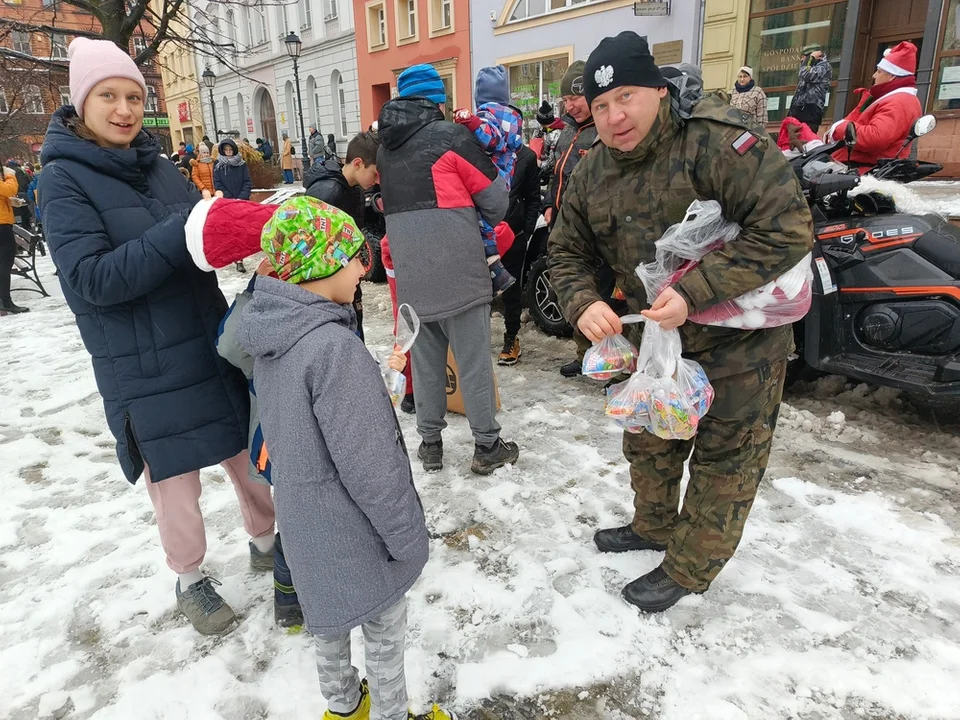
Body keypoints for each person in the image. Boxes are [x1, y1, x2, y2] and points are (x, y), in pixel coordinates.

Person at [548, 31, 813, 613]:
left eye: (626, 98)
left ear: (658, 92)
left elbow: (788, 230)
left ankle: (690, 570)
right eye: (600, 106)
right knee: (650, 443)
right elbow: (565, 252)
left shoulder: (716, 147)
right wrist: (582, 302)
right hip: (654, 348)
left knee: (726, 462)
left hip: (739, 349)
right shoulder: (593, 170)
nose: (614, 117)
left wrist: (693, 290)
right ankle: (653, 526)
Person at [38, 37, 275, 635]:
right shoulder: (61, 183)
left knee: (248, 458)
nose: (124, 109)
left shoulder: (160, 166)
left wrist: (231, 233)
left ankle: (268, 543)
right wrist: (182, 231)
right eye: (108, 96)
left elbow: (193, 245)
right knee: (175, 488)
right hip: (142, 365)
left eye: (134, 97)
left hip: (206, 342)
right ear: (81, 102)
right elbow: (92, 280)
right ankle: (191, 578)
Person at [234, 196, 451, 720]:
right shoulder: (333, 349)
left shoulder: (273, 339)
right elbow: (371, 465)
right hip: (362, 536)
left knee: (329, 630)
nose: (362, 268)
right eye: (355, 255)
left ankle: (343, 708)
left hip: (306, 530)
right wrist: (406, 536)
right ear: (322, 261)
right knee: (384, 633)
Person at [377, 63, 519, 475]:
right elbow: (496, 201)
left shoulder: (386, 150)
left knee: (426, 362)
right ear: (437, 99)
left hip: (412, 275)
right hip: (459, 269)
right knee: (472, 360)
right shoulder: (453, 137)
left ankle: (431, 445)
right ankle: (487, 447)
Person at [304, 130, 380, 342]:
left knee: (355, 329)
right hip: (329, 287)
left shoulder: (354, 189)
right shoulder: (326, 192)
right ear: (357, 163)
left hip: (347, 279)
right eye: (374, 173)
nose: (376, 180)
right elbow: (310, 245)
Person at [454, 65, 524, 295]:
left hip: (488, 179)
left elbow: (491, 139)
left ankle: (494, 267)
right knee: (485, 222)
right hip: (503, 179)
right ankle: (494, 268)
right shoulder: (512, 117)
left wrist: (471, 122)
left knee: (478, 220)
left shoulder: (487, 115)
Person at [827, 41, 922, 172]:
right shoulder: (894, 99)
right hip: (856, 166)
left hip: (861, 170)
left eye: (879, 71)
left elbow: (875, 139)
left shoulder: (898, 102)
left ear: (892, 76)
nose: (874, 76)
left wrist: (840, 128)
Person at [498, 133, 540, 367]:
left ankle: (511, 337)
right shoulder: (481, 152)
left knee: (511, 289)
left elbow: (533, 197)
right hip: (485, 233)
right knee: (480, 289)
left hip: (514, 234)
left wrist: (527, 228)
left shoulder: (526, 156)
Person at [214, 138, 253, 272]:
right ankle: (235, 258)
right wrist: (229, 198)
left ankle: (240, 258)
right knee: (231, 231)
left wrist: (241, 197)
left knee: (241, 231)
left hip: (242, 202)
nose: (229, 152)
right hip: (227, 203)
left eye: (230, 150)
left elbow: (247, 182)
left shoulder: (241, 164)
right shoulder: (219, 165)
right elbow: (218, 184)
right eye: (226, 150)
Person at [0, 164, 28, 314]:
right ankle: (4, 301)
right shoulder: (6, 176)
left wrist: (8, 202)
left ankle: (4, 300)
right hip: (1, 224)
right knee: (5, 262)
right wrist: (10, 175)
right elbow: (10, 189)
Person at [788, 44, 832, 133]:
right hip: (798, 110)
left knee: (806, 143)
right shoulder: (810, 66)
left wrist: (810, 58)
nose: (802, 59)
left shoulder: (824, 66)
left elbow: (805, 74)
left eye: (804, 57)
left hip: (810, 112)